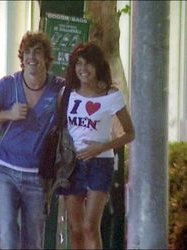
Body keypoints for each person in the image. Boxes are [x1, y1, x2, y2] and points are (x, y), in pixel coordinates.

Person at [0, 31, 64, 249]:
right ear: (22, 58)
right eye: (27, 52)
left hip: (38, 176)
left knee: (33, 239)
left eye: (37, 52)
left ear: (47, 59)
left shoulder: (59, 88)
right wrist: (9, 114)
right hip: (4, 171)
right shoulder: (8, 85)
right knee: (6, 234)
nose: (31, 57)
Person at [59, 42, 135, 249]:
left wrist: (100, 148)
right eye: (78, 64)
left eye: (88, 64)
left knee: (90, 226)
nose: (83, 69)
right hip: (72, 164)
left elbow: (130, 133)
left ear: (98, 66)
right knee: (75, 228)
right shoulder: (67, 93)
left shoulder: (111, 95)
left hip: (100, 163)